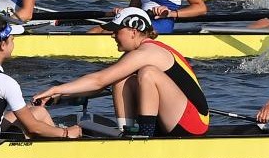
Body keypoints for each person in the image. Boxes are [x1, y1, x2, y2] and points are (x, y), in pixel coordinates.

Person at [32, 9, 210, 137]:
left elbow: (99, 80)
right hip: (175, 114)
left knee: (148, 73)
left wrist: (55, 88)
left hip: (195, 123)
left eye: (117, 31)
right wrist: (59, 95)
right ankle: (127, 133)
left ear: (133, 31)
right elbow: (100, 83)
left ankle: (145, 136)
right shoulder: (136, 53)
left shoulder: (148, 52)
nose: (112, 35)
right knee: (120, 78)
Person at [0, 13, 81, 139]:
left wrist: (29, 107)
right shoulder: (4, 81)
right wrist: (66, 132)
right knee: (41, 119)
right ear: (2, 45)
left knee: (37, 111)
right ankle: (64, 143)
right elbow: (33, 128)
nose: (13, 43)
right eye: (12, 40)